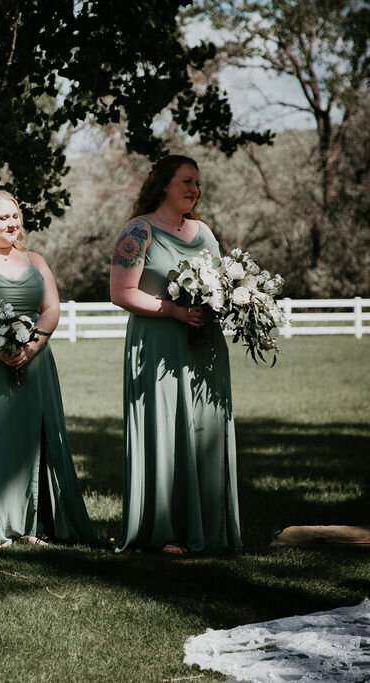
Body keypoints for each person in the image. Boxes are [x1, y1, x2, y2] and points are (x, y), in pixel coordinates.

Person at [0, 190, 97, 548]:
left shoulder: (35, 260)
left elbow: (52, 308)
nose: (12, 223)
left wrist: (33, 344)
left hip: (33, 361)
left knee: (32, 438)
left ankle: (34, 522)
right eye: (2, 217)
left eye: (15, 216)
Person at [109, 155, 241, 554]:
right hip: (160, 346)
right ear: (164, 184)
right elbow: (121, 293)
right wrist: (174, 310)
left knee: (205, 426)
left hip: (204, 344)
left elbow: (219, 282)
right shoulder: (139, 230)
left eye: (197, 183)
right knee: (166, 427)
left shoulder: (203, 231)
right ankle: (164, 530)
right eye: (186, 181)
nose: (193, 189)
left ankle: (211, 527)